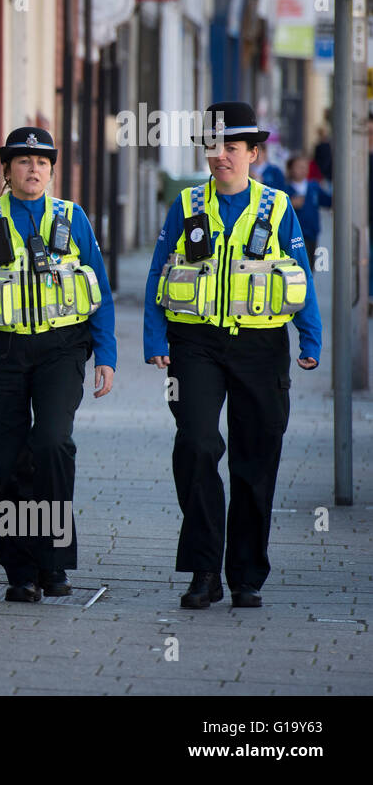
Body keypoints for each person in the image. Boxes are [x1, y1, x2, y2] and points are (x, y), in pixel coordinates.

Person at [144, 101, 321, 610]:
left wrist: (310, 338)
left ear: (253, 153)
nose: (221, 156)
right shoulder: (186, 204)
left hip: (261, 346)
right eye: (213, 147)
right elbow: (159, 271)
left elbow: (300, 276)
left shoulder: (278, 206)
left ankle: (245, 573)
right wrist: (155, 340)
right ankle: (204, 570)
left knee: (255, 456)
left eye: (231, 148)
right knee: (197, 445)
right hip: (195, 344)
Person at [0, 127, 116, 602]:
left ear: (52, 172)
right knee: (11, 460)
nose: (33, 169)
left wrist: (107, 356)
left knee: (53, 443)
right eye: (23, 161)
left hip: (62, 349)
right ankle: (21, 571)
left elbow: (100, 288)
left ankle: (54, 563)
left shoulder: (72, 218)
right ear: (7, 170)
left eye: (41, 162)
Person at [284, 153, 331, 267]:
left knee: (310, 266)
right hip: (294, 236)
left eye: (305, 166)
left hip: (311, 234)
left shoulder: (313, 186)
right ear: (291, 169)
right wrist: (290, 203)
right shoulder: (284, 190)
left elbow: (328, 201)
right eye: (299, 166)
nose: (303, 170)